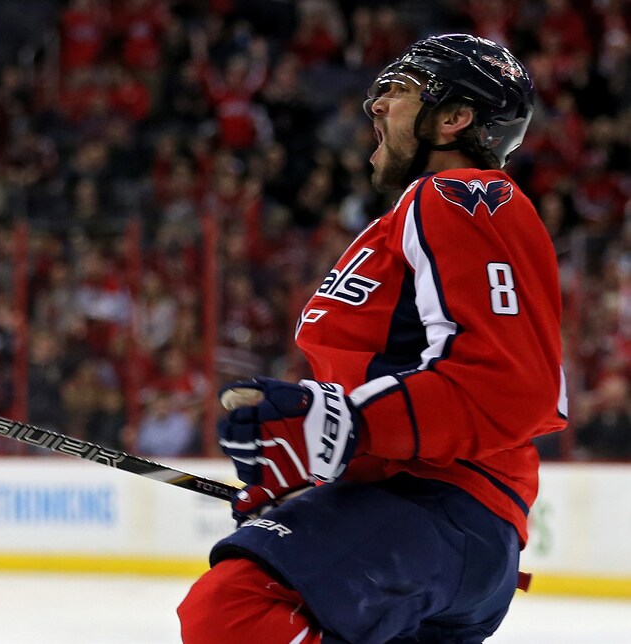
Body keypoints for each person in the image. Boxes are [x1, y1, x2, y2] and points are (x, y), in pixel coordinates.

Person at [178, 34, 568, 643]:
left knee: (234, 608)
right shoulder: (402, 223)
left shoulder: (460, 194)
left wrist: (337, 426)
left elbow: (512, 386)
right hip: (422, 516)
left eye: (401, 90)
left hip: (445, 505)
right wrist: (312, 469)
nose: (376, 105)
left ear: (455, 118)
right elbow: (382, 387)